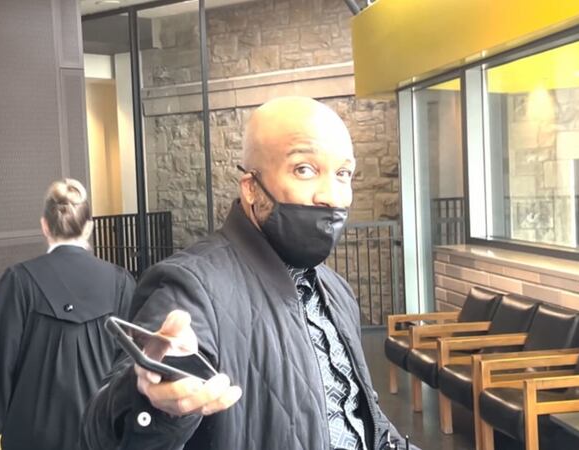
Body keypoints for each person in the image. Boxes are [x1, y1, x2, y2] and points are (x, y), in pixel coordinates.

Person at [82, 97, 418, 450]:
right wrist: (153, 406)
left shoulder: (336, 291)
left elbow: (359, 419)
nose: (331, 196)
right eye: (304, 169)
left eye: (343, 174)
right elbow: (103, 432)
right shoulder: (191, 288)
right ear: (251, 188)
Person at [0, 178, 135, 450]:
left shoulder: (19, 281)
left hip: (31, 434)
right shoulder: (120, 282)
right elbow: (130, 361)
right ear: (89, 227)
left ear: (45, 226)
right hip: (102, 433)